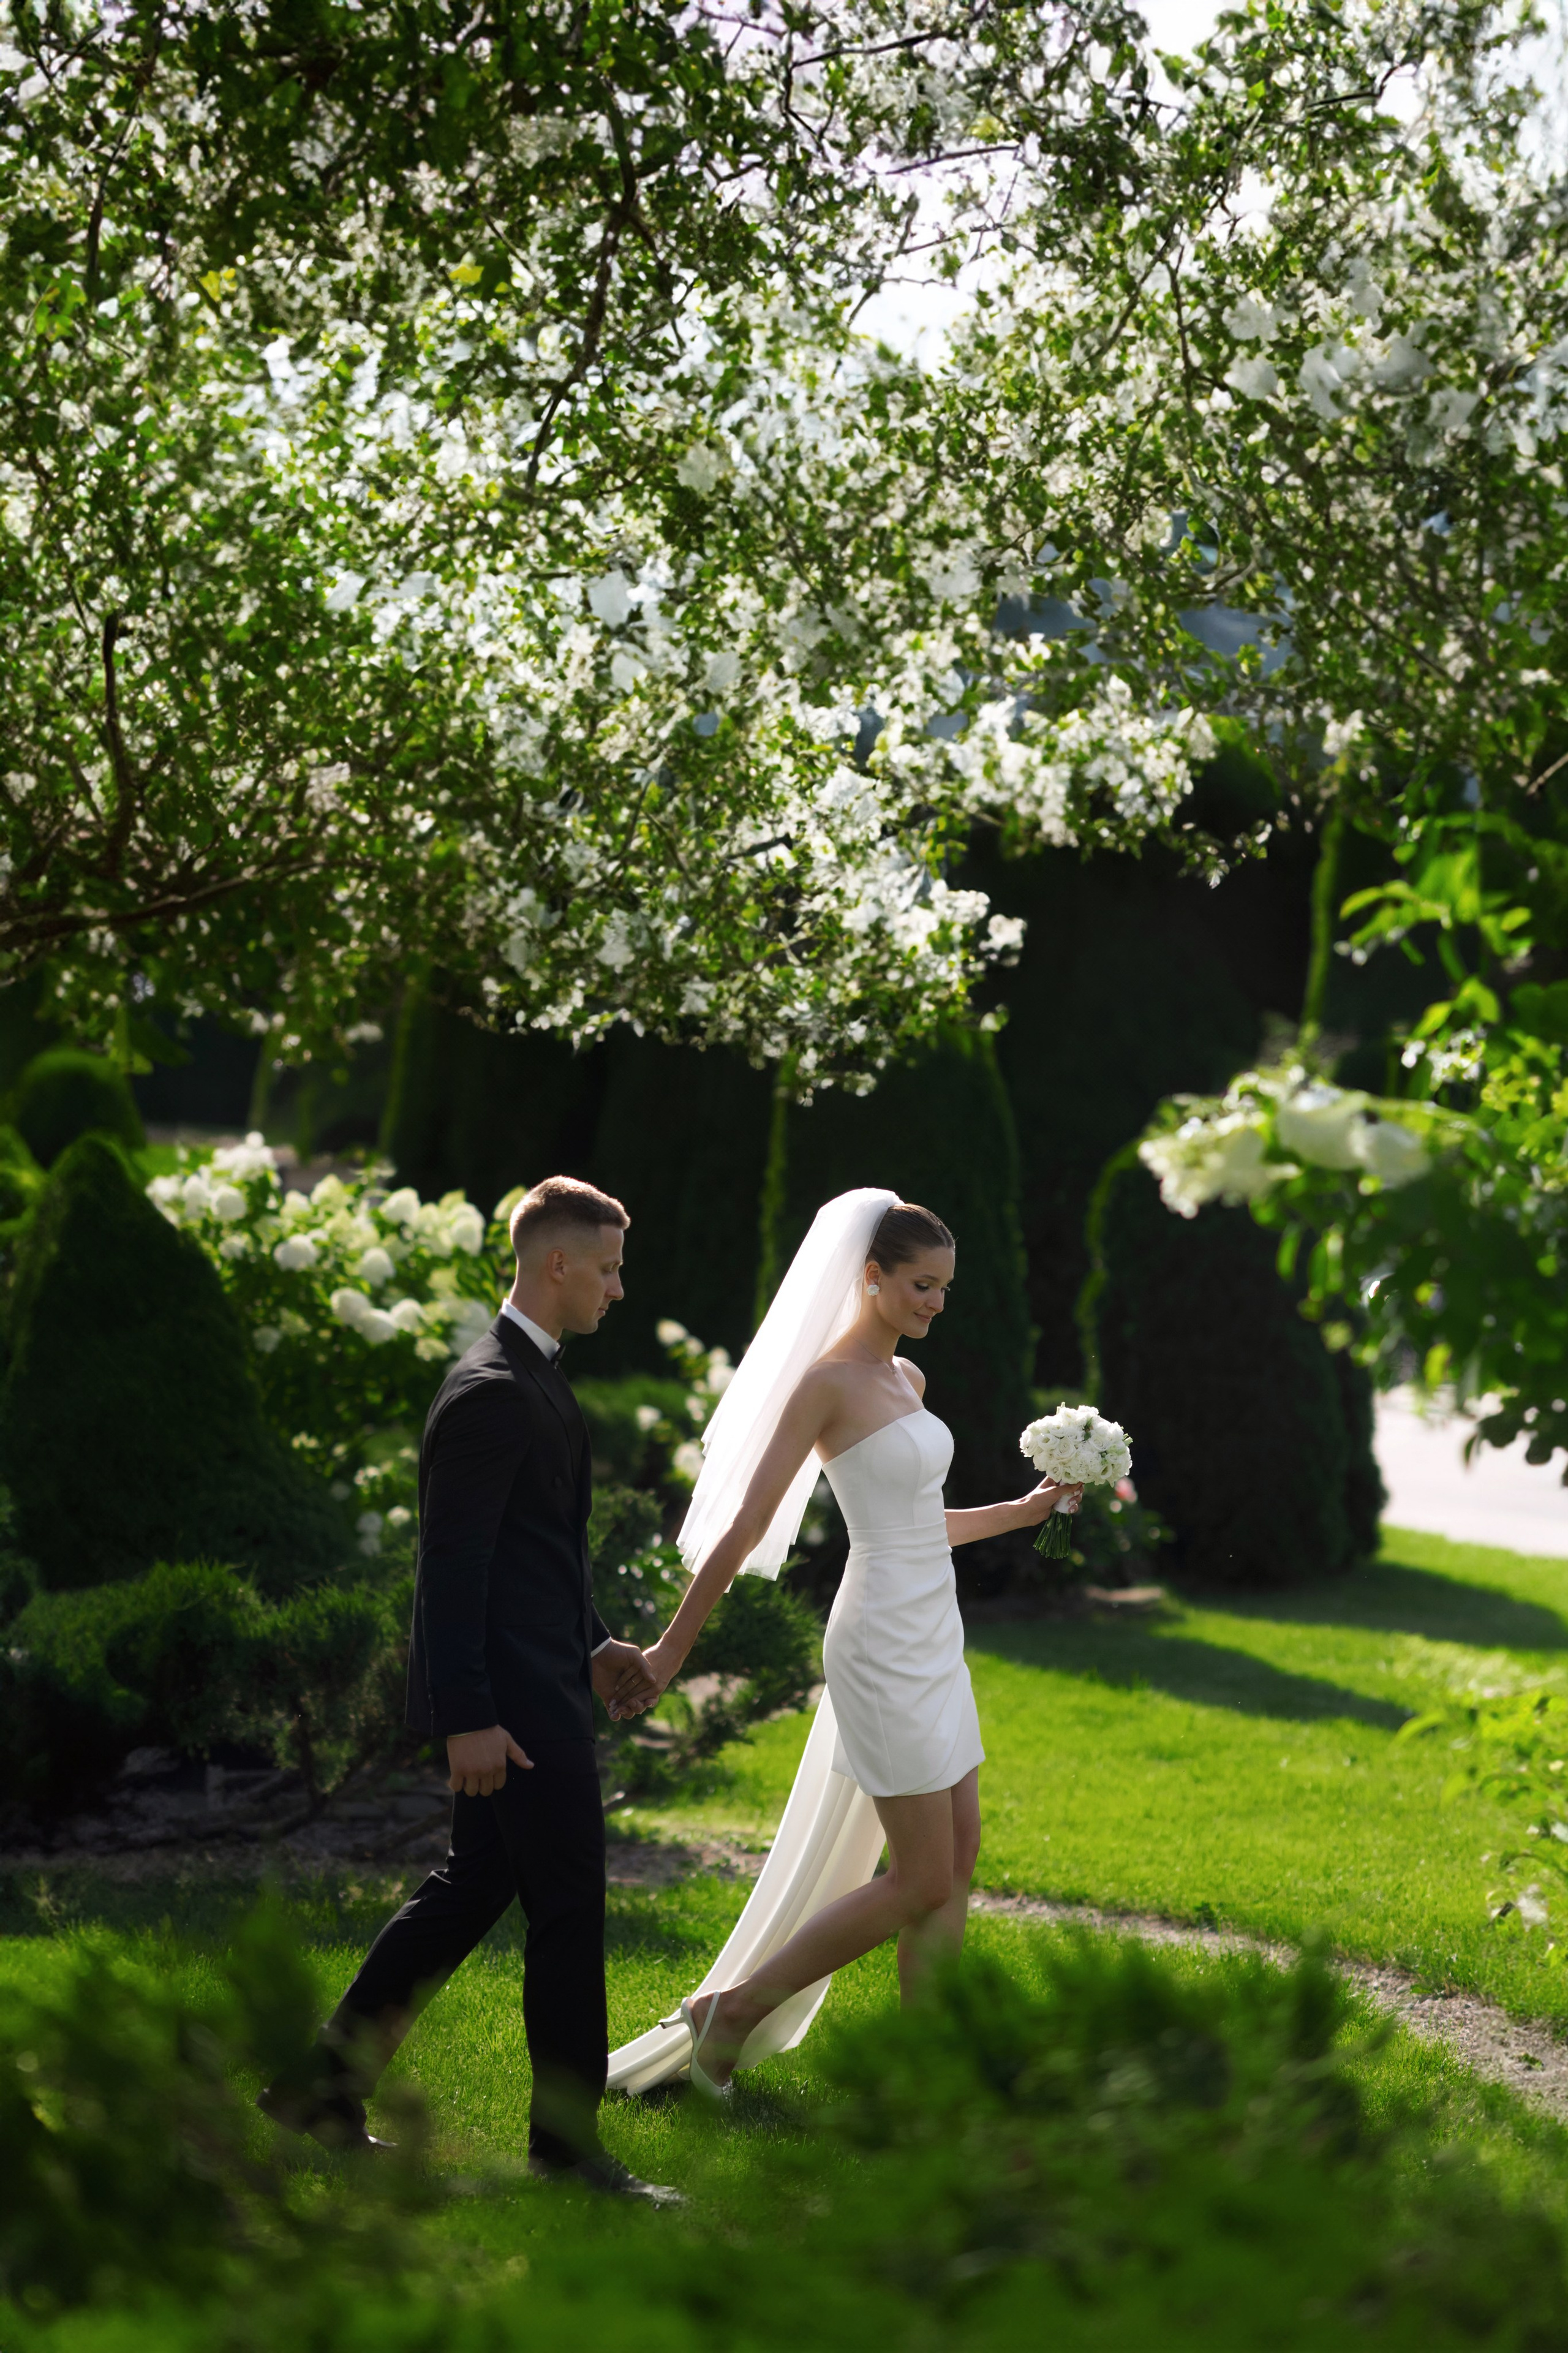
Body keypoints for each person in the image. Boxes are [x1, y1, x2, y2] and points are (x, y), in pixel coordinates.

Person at [260, 1176, 676, 2202]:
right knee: (569, 1906)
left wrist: (594, 1644)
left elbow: (530, 1556)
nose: (619, 1289)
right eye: (611, 1268)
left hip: (540, 1683)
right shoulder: (494, 1389)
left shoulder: (531, 1376)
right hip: (512, 1711)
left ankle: (322, 2086)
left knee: (470, 1891)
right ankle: (568, 2149)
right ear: (559, 1264)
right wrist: (469, 1716)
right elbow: (451, 1568)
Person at [615, 1190, 1079, 2098]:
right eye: (920, 1284)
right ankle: (732, 2011)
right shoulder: (825, 1384)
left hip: (934, 1632)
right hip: (875, 1640)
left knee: (957, 1863)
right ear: (871, 1277)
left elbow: (919, 1521)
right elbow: (747, 1523)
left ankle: (926, 2071)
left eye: (944, 1288)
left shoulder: (908, 1382)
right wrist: (673, 1648)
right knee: (918, 1876)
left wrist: (1025, 1511)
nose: (935, 1303)